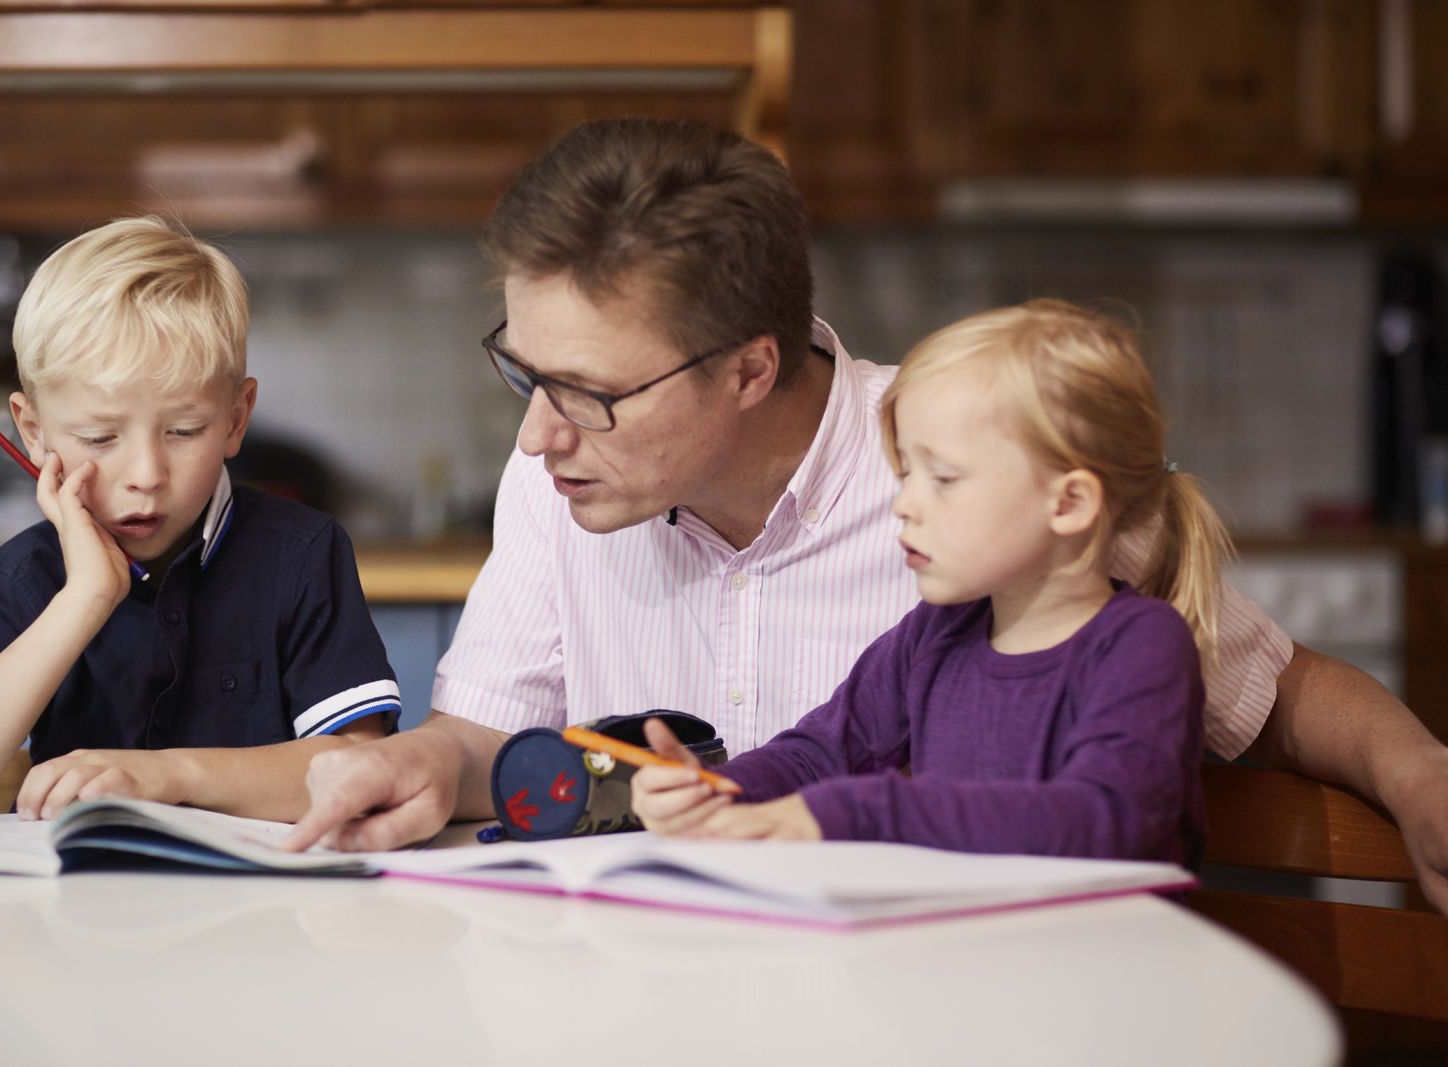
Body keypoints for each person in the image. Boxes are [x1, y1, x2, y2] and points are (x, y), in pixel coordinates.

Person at [283, 118, 1448, 914]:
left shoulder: (983, 473)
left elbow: (1270, 692)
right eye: (523, 374)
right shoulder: (560, 481)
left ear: (746, 368)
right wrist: (430, 762)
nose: (538, 435)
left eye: (590, 392)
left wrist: (1418, 773)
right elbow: (497, 739)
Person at [631, 299, 1218, 863]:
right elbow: (816, 756)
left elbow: (1103, 819)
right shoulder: (936, 634)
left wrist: (861, 812)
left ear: (1068, 503)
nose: (904, 505)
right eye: (905, 474)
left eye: (942, 478)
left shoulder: (1141, 645)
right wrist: (715, 788)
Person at [0, 217, 401, 821]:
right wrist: (85, 597)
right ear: (32, 433)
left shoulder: (300, 553)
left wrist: (167, 776)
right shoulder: (22, 576)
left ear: (236, 419)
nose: (146, 474)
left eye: (184, 431)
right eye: (99, 436)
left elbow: (358, 769)